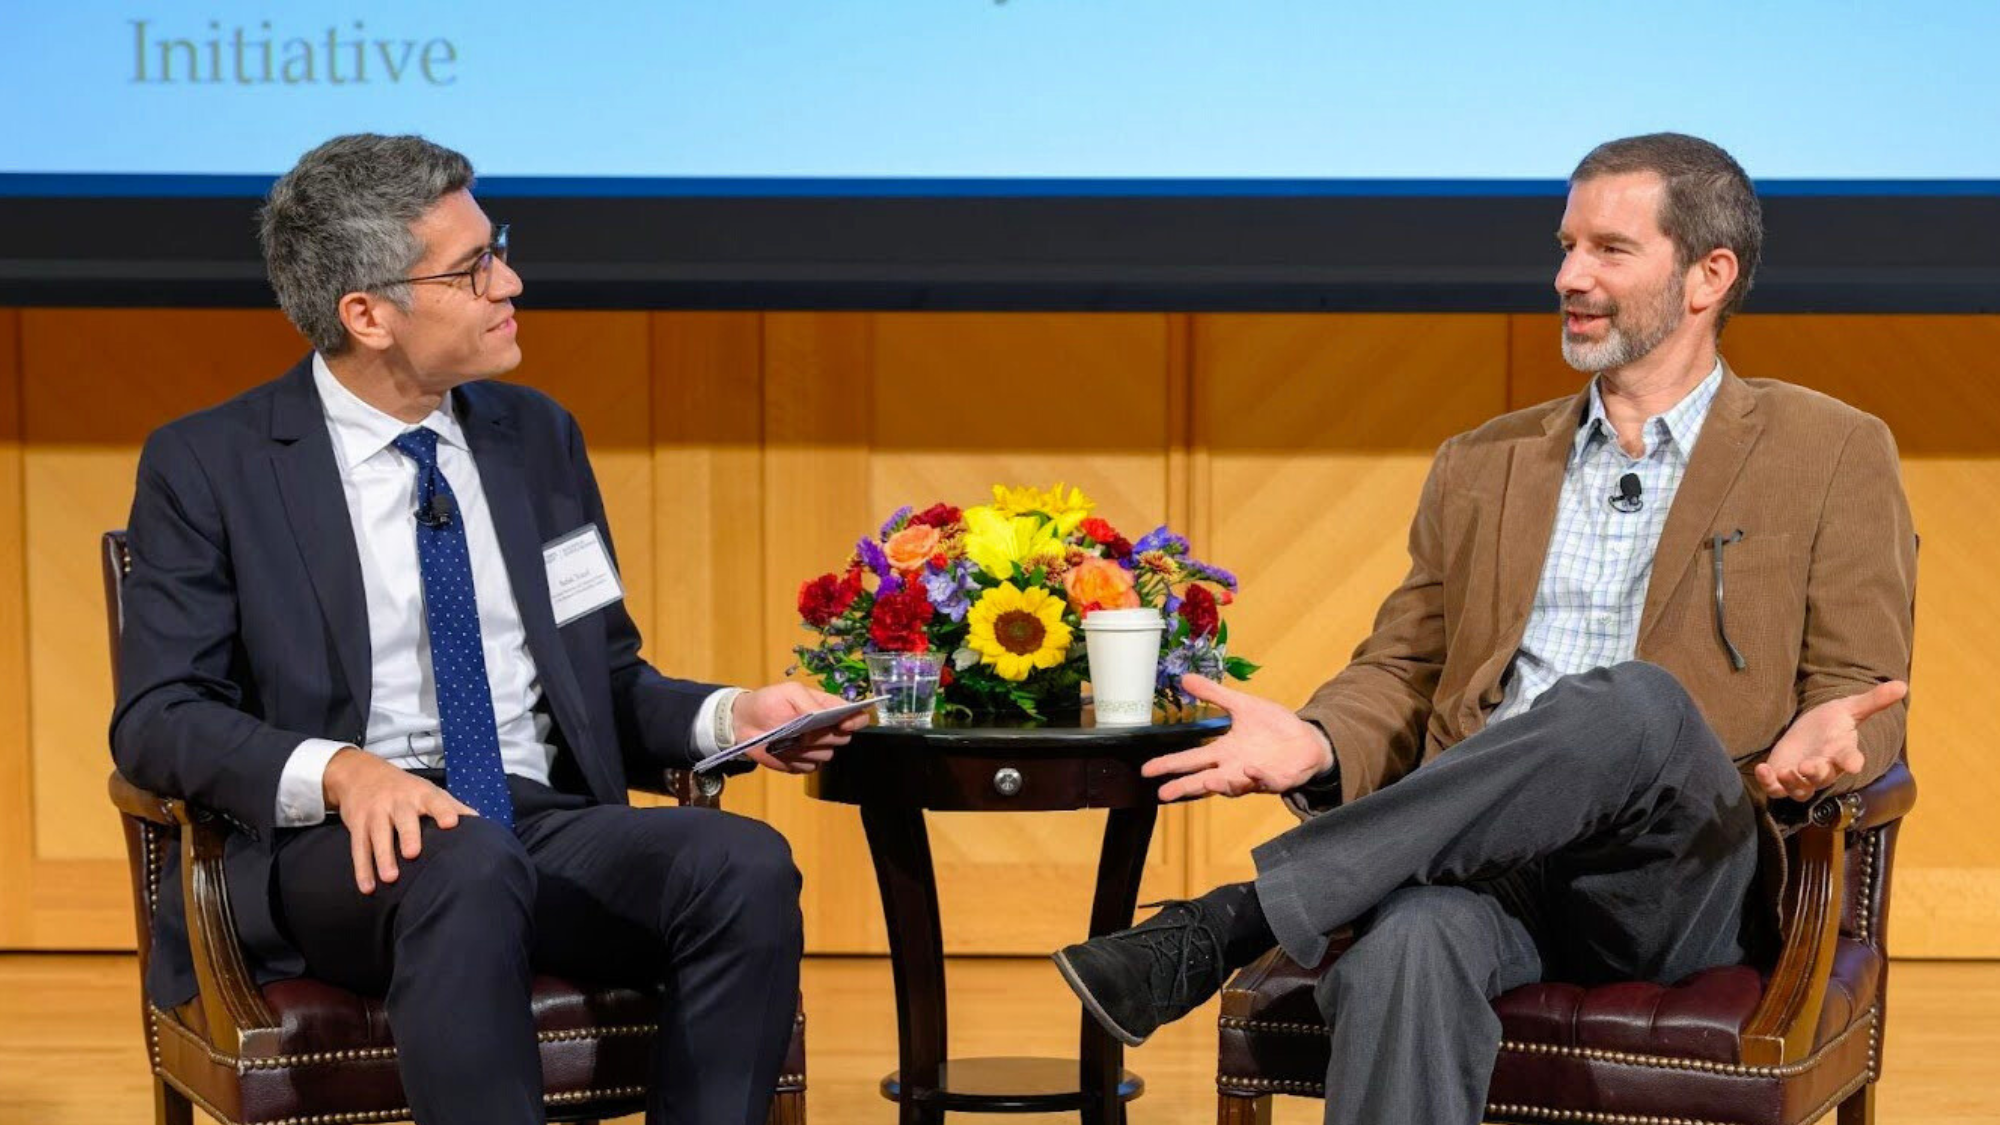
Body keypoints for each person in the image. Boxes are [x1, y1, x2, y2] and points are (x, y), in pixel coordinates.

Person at [1052, 133, 1916, 1125]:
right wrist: (1322, 740)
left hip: (1676, 880)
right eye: (1563, 246)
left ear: (1705, 276)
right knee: (1405, 945)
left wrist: (1835, 740)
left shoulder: (1829, 448)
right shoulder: (1483, 462)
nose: (1566, 278)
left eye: (1606, 250)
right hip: (1483, 867)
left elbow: (1862, 685)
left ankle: (1232, 920)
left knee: (1632, 700)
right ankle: (1262, 917)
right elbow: (1405, 663)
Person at [110, 133, 862, 1125]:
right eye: (472, 268)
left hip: (531, 821)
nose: (510, 280)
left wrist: (734, 716)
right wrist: (343, 771)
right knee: (459, 859)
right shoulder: (213, 464)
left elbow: (607, 680)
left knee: (740, 863)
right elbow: (159, 718)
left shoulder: (534, 438)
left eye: (496, 245)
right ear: (367, 313)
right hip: (339, 855)